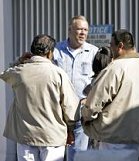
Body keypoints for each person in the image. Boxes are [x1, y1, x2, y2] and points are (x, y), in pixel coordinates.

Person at [0, 34, 81, 161]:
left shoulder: (19, 71)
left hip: (25, 136)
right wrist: (70, 129)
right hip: (52, 137)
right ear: (50, 53)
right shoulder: (58, 73)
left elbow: (4, 74)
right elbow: (70, 107)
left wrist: (19, 60)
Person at [81, 29, 139, 158]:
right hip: (136, 134)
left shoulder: (115, 68)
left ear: (120, 46)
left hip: (113, 134)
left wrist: (86, 117)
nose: (110, 48)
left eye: (112, 45)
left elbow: (95, 101)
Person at [53, 15, 98, 160]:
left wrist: (90, 98)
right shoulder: (56, 51)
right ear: (70, 30)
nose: (83, 33)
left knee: (78, 155)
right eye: (79, 29)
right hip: (58, 112)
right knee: (55, 155)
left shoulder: (94, 52)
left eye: (85, 30)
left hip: (80, 112)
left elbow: (99, 80)